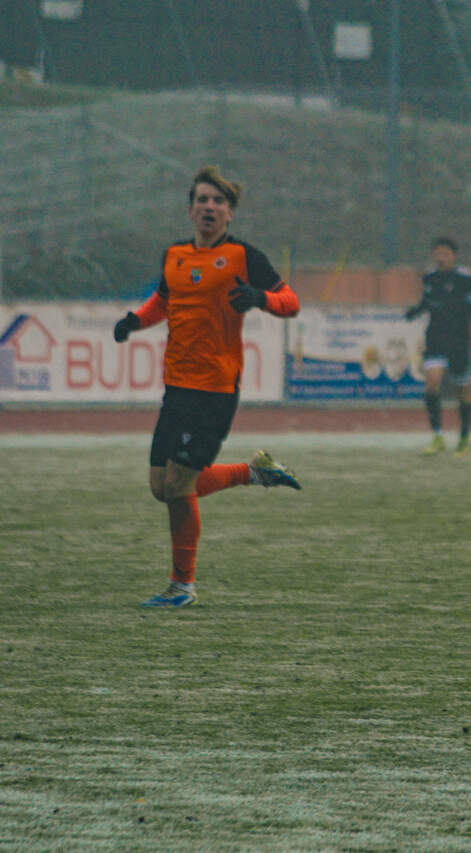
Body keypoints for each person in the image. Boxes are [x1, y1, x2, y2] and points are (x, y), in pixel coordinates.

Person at [112, 165, 303, 608]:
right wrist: (135, 320)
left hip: (215, 390)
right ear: (190, 210)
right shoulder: (174, 255)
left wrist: (260, 297)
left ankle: (182, 587)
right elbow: (164, 300)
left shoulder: (244, 256)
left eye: (218, 201)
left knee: (180, 486)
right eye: (202, 200)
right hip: (176, 386)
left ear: (230, 213)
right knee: (161, 487)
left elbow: (290, 301)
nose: (209, 207)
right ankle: (254, 472)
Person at [405, 236, 471, 456]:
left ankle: (464, 437)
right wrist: (416, 311)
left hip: (458, 340)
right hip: (436, 338)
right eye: (438, 253)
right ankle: (437, 436)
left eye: (446, 254)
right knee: (432, 383)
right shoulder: (430, 278)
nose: (441, 257)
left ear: (454, 256)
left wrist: (454, 307)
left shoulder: (464, 278)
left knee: (463, 392)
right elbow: (427, 301)